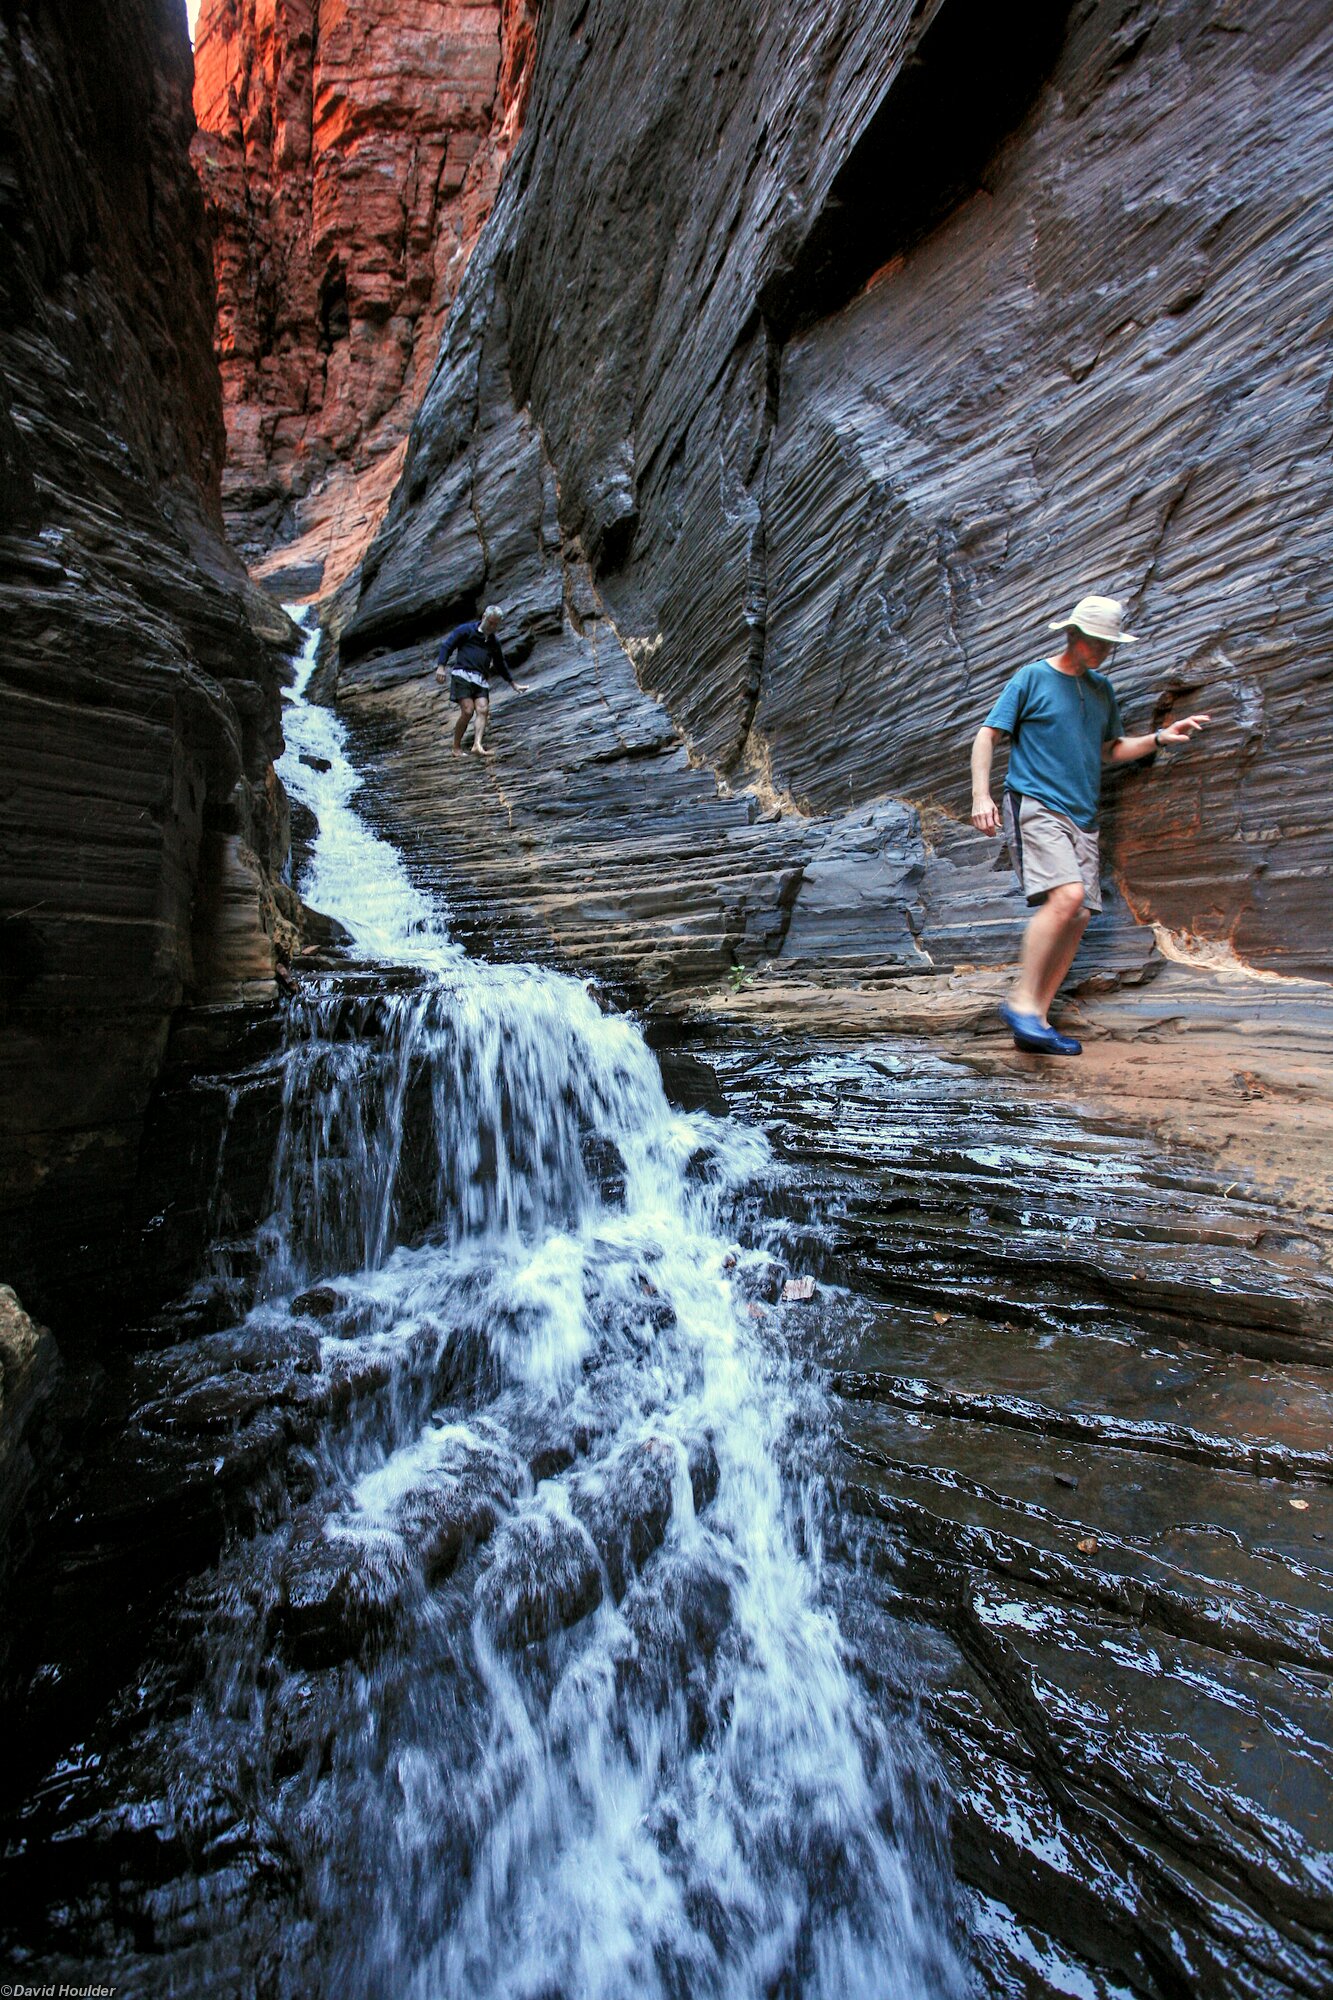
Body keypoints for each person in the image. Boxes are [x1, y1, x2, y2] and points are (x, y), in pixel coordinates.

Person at [970, 593, 1209, 1056]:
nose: (1102, 651)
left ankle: (1034, 1021)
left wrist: (1160, 737)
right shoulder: (1032, 677)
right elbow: (988, 735)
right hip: (1037, 803)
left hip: (1084, 815)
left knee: (1078, 915)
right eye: (1096, 641)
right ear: (1073, 634)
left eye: (1108, 644)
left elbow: (1110, 750)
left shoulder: (1101, 689)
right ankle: (1020, 1000)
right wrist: (981, 796)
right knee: (1069, 896)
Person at [434, 604, 530, 757]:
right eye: (490, 622)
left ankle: (477, 745)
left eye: (495, 624)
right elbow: (448, 646)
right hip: (462, 675)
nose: (492, 626)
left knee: (483, 710)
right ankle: (456, 747)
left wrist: (513, 684)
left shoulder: (493, 642)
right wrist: (441, 666)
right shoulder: (466, 630)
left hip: (480, 679)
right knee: (467, 711)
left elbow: (500, 663)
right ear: (484, 616)